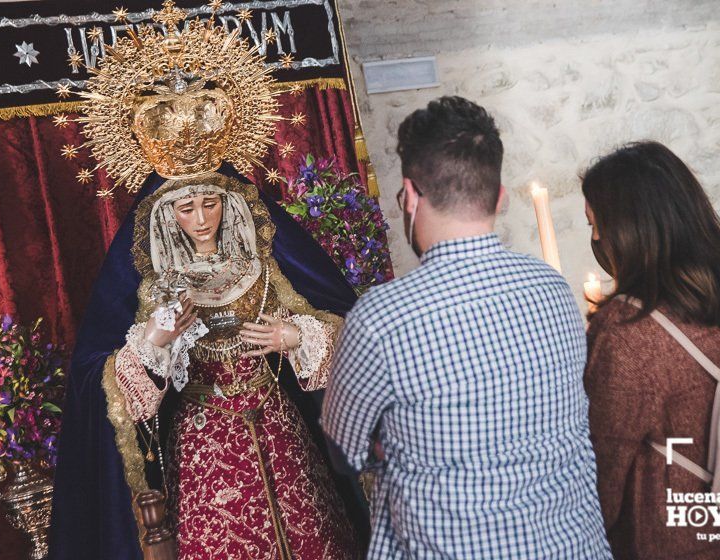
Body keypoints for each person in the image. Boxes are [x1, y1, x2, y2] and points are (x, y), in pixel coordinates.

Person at [50, 5, 365, 558]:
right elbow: (104, 384)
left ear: (230, 204)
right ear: (167, 214)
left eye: (211, 203)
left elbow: (344, 321)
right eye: (187, 207)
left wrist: (298, 337)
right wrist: (153, 344)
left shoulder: (266, 260)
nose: (200, 218)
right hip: (201, 445)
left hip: (280, 429)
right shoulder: (147, 282)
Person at [322, 96, 612, 559]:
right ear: (499, 197)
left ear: (410, 197)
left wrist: (397, 439)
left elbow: (344, 451)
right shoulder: (552, 289)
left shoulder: (381, 318)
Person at [582, 141, 720, 559]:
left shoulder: (627, 331)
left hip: (676, 539)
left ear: (628, 229)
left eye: (595, 223)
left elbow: (604, 466)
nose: (594, 237)